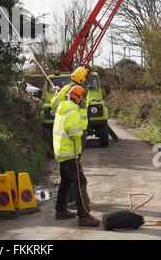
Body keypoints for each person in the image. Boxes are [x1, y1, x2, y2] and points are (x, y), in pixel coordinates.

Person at [53, 85, 99, 227]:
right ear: (79, 99)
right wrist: (80, 131)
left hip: (62, 153)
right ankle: (84, 216)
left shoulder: (62, 109)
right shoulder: (73, 112)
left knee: (66, 181)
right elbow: (75, 133)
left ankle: (60, 210)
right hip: (70, 154)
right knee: (80, 182)